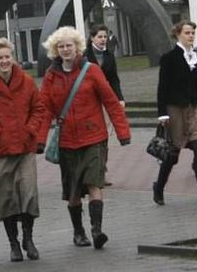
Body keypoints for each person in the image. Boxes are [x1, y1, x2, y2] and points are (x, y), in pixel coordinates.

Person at [38, 26, 130, 250]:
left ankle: (97, 230)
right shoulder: (51, 76)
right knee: (73, 191)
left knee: (94, 183)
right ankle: (78, 232)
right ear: (55, 50)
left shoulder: (91, 70)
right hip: (67, 141)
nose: (66, 49)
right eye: (61, 46)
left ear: (77, 47)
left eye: (69, 45)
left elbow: (110, 101)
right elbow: (44, 109)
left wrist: (122, 132)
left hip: (94, 137)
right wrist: (39, 140)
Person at [0, 38, 44, 262]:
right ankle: (13, 244)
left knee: (28, 194)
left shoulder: (27, 81)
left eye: (7, 57)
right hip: (1, 150)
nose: (4, 61)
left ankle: (28, 239)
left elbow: (38, 108)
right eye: (0, 58)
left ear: (13, 57)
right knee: (6, 198)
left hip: (25, 148)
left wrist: (30, 129)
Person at [154, 20, 197, 206]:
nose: (191, 36)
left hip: (193, 108)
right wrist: (162, 113)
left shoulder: (195, 58)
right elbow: (162, 88)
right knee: (173, 152)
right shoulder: (169, 58)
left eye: (193, 33)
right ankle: (159, 186)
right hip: (175, 108)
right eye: (187, 33)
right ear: (178, 34)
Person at [86, 24, 124, 187]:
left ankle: (101, 172)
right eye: (99, 37)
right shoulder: (84, 56)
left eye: (105, 37)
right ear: (92, 38)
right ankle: (89, 171)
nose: (103, 40)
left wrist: (120, 98)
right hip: (87, 101)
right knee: (90, 136)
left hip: (104, 99)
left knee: (103, 137)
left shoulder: (109, 56)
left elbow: (114, 79)